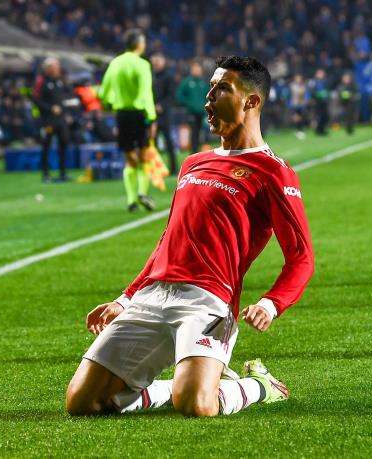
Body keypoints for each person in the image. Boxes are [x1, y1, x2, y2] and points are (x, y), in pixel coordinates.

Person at [66, 56, 314, 417]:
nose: (208, 98)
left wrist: (270, 304)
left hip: (208, 302)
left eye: (221, 89)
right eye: (210, 88)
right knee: (82, 402)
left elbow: (301, 257)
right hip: (152, 295)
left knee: (197, 404)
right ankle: (170, 389)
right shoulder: (193, 163)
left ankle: (258, 385)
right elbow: (168, 239)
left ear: (251, 101)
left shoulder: (273, 172)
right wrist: (125, 297)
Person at [99, 28, 157, 212]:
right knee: (144, 155)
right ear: (139, 44)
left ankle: (131, 200)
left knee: (129, 158)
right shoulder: (142, 64)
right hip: (139, 114)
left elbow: (103, 92)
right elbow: (146, 93)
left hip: (122, 114)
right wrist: (151, 117)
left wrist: (110, 103)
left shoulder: (115, 63)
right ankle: (142, 192)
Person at [33, 57, 74, 183]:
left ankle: (63, 173)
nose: (58, 69)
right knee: (46, 146)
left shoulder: (59, 81)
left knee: (64, 144)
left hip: (61, 120)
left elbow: (64, 99)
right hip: (48, 120)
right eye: (55, 66)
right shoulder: (41, 81)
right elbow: (36, 100)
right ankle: (46, 174)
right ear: (48, 68)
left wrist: (67, 113)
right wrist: (50, 108)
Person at [151, 52, 177, 175]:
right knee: (153, 144)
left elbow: (171, 96)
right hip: (152, 115)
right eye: (154, 60)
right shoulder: (150, 76)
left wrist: (162, 105)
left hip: (164, 115)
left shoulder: (168, 77)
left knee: (169, 144)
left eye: (158, 60)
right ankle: (155, 169)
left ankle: (174, 169)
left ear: (164, 61)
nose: (156, 63)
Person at [177, 61, 209, 153]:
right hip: (191, 112)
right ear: (191, 70)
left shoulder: (203, 82)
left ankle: (201, 153)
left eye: (198, 69)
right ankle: (194, 152)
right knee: (194, 133)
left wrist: (207, 105)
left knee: (202, 133)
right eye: (195, 69)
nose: (197, 71)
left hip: (202, 113)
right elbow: (179, 96)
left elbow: (208, 95)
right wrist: (189, 104)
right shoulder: (187, 82)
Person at [309, 68, 329, 136]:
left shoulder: (324, 81)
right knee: (318, 116)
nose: (321, 75)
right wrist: (317, 95)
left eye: (322, 73)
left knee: (325, 116)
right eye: (320, 73)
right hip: (317, 101)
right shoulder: (313, 81)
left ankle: (322, 129)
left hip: (324, 101)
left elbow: (327, 90)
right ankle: (318, 130)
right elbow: (311, 91)